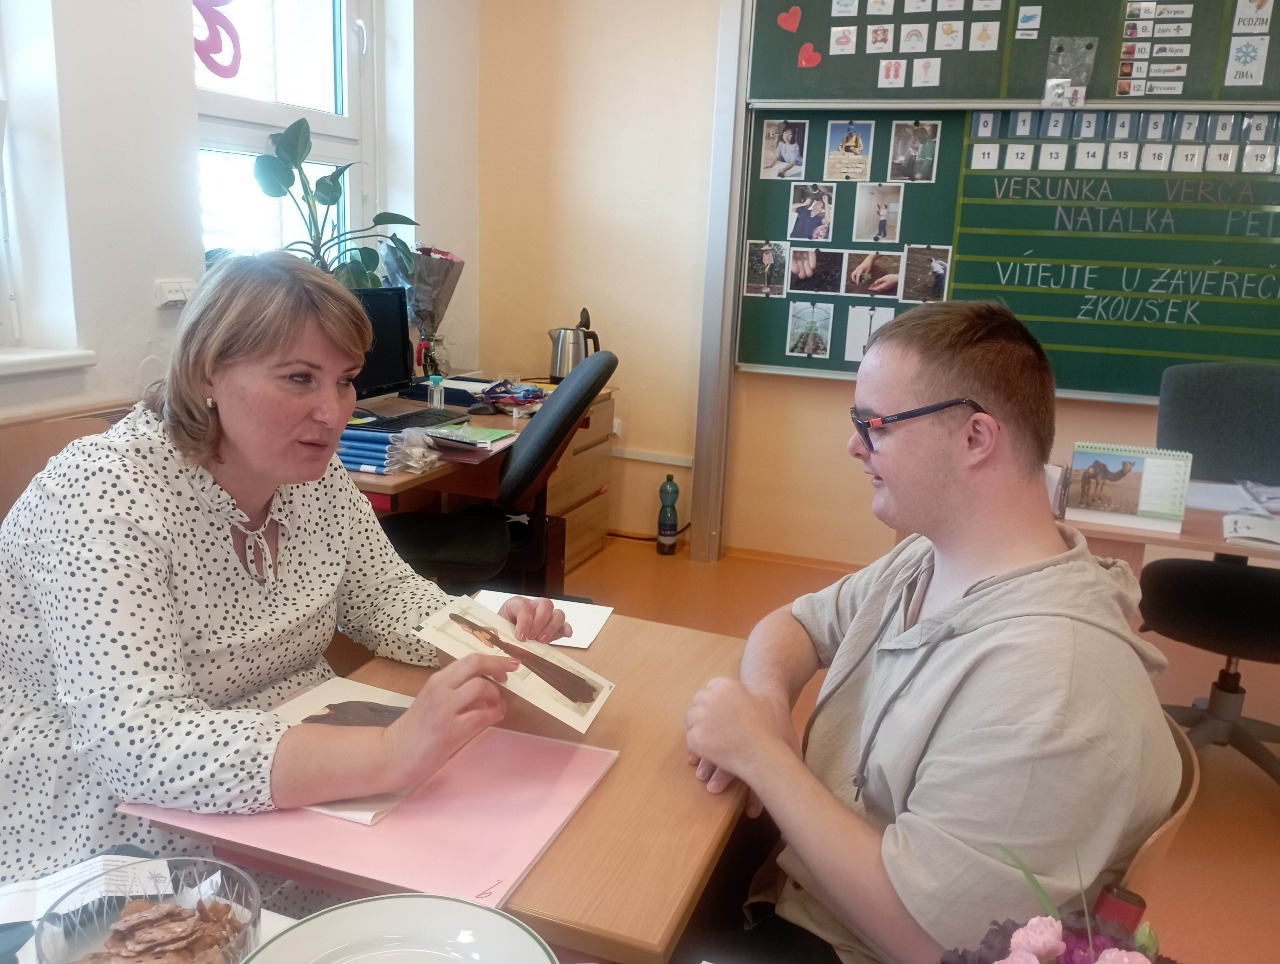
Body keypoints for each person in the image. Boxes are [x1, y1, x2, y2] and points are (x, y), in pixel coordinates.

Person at [0, 252, 571, 888]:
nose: (333, 412)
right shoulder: (101, 494)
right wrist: (390, 752)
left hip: (297, 753)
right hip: (119, 818)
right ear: (207, 371)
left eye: (345, 380)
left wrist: (484, 630)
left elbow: (383, 595)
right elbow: (138, 744)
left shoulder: (313, 473)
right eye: (300, 378)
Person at [681, 301, 1181, 963]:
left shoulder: (1050, 685)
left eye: (875, 425)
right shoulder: (929, 555)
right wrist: (769, 703)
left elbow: (931, 943)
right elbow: (796, 623)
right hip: (807, 884)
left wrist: (764, 758)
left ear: (975, 438)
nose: (854, 445)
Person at [448, 613, 598, 704]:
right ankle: (579, 686)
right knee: (541, 664)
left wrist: (469, 632)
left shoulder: (476, 632)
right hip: (512, 647)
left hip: (511, 651)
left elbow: (489, 645)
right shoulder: (480, 628)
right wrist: (497, 638)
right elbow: (493, 630)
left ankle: (576, 691)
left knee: (539, 668)